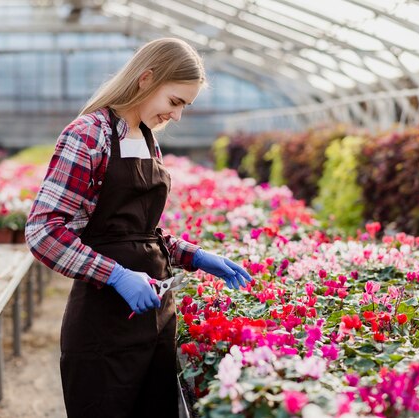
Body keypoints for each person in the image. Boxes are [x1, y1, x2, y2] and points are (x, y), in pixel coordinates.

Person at [25, 37, 252, 418]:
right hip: (103, 326)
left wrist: (193, 256)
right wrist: (115, 275)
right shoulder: (88, 135)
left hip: (156, 321)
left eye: (185, 106)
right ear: (146, 79)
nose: (177, 116)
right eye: (175, 102)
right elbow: (43, 231)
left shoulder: (147, 141)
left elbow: (139, 232)